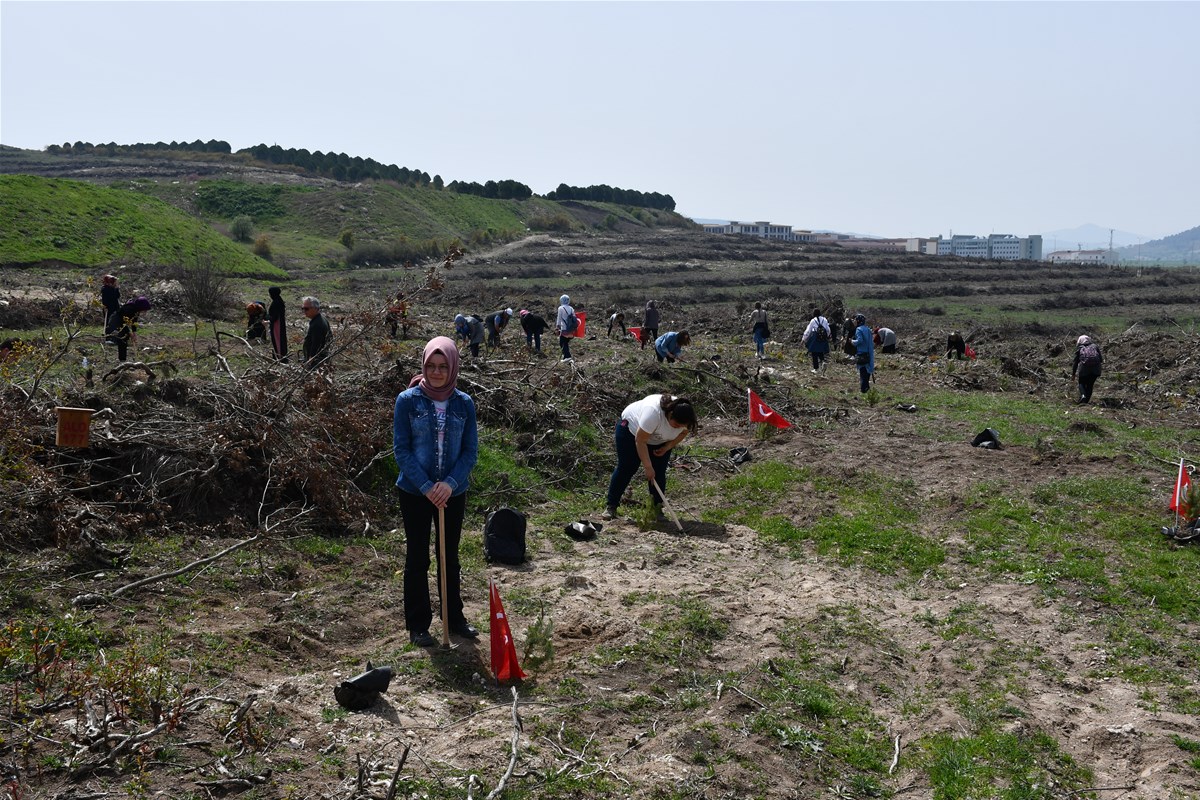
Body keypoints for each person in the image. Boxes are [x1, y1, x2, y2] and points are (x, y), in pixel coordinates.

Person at [393, 336, 480, 647]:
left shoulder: (464, 403)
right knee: (418, 557)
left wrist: (449, 484)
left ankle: (454, 618)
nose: (437, 372)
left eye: (443, 366)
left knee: (449, 557)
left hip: (452, 492)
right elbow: (401, 450)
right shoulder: (407, 401)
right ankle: (418, 624)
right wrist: (429, 487)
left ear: (453, 366)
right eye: (431, 366)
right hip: (416, 492)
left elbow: (470, 452)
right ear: (424, 366)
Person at [603, 394, 697, 520]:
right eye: (676, 425)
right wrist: (647, 467)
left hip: (659, 439)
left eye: (681, 426)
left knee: (658, 472)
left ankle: (656, 509)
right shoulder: (653, 413)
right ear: (670, 414)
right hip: (631, 432)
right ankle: (611, 506)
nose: (678, 428)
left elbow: (684, 432)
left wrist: (667, 447)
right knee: (627, 467)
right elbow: (640, 440)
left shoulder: (686, 416)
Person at [112, 296, 151, 362]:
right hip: (116, 321)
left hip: (122, 323)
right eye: (144, 310)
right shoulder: (129, 309)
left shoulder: (136, 311)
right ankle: (122, 360)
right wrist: (129, 333)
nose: (145, 312)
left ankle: (123, 359)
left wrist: (134, 332)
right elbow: (122, 321)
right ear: (141, 307)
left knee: (125, 338)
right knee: (122, 338)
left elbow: (134, 321)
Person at [1071, 334, 1103, 404]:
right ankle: (1086, 402)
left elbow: (1075, 363)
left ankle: (1083, 396)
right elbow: (1101, 359)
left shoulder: (1080, 348)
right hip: (1096, 369)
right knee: (1090, 385)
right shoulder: (1095, 346)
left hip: (1084, 369)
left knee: (1081, 383)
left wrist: (1073, 374)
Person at [302, 296, 332, 369]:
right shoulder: (321, 319)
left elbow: (316, 344)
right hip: (321, 358)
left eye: (307, 309)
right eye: (303, 308)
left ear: (316, 308)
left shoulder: (317, 324)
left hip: (316, 361)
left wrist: (311, 359)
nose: (304, 311)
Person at [801, 308, 832, 372]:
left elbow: (808, 331)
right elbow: (828, 329)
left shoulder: (813, 320)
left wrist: (804, 339)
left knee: (814, 353)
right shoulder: (824, 319)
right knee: (821, 351)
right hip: (823, 337)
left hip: (815, 337)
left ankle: (816, 368)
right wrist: (827, 336)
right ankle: (823, 362)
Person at [852, 313, 874, 394]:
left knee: (862, 372)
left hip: (861, 353)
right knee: (867, 372)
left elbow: (860, 340)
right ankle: (867, 388)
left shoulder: (858, 330)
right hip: (869, 353)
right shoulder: (867, 329)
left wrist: (852, 341)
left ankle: (863, 389)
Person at [268, 287, 289, 363]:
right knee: (281, 340)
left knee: (277, 340)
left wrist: (268, 320)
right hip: (280, 324)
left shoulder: (276, 303)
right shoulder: (279, 300)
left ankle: (279, 357)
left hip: (277, 325)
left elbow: (275, 316)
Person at [556, 294, 578, 361]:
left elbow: (559, 318)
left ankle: (567, 357)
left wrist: (557, 327)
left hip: (564, 328)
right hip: (571, 328)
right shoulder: (571, 308)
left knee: (562, 343)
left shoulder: (560, 308)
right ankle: (566, 356)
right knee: (565, 342)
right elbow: (574, 318)